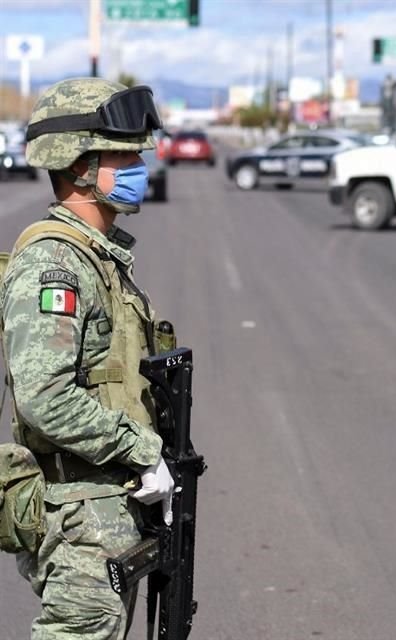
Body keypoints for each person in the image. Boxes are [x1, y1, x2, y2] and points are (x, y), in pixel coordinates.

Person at [0, 78, 174, 639]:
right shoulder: (57, 264)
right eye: (122, 156)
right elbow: (44, 396)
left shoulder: (98, 256)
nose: (137, 166)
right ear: (77, 165)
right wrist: (142, 449)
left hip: (103, 504)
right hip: (77, 514)